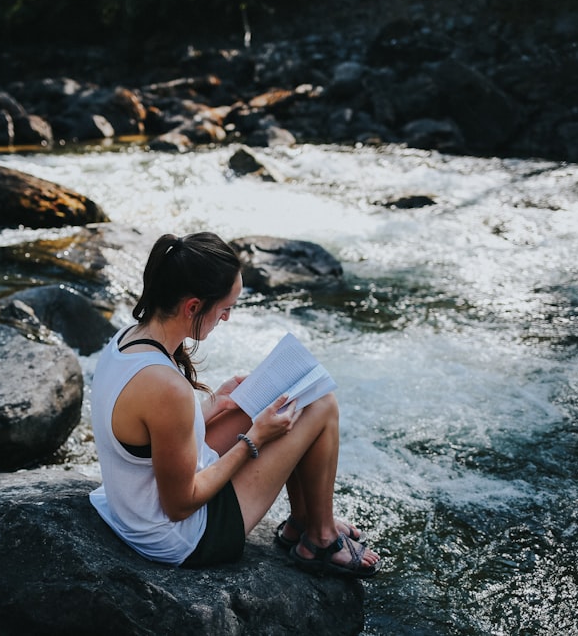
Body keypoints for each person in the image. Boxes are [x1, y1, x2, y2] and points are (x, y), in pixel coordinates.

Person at [89, 231, 380, 577]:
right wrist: (254, 440)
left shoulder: (128, 338)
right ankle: (318, 536)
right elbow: (180, 505)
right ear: (193, 306)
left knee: (291, 394)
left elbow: (149, 434)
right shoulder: (167, 388)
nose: (227, 318)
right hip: (179, 536)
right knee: (321, 405)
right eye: (225, 308)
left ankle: (305, 522)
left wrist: (214, 405)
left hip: (137, 505)